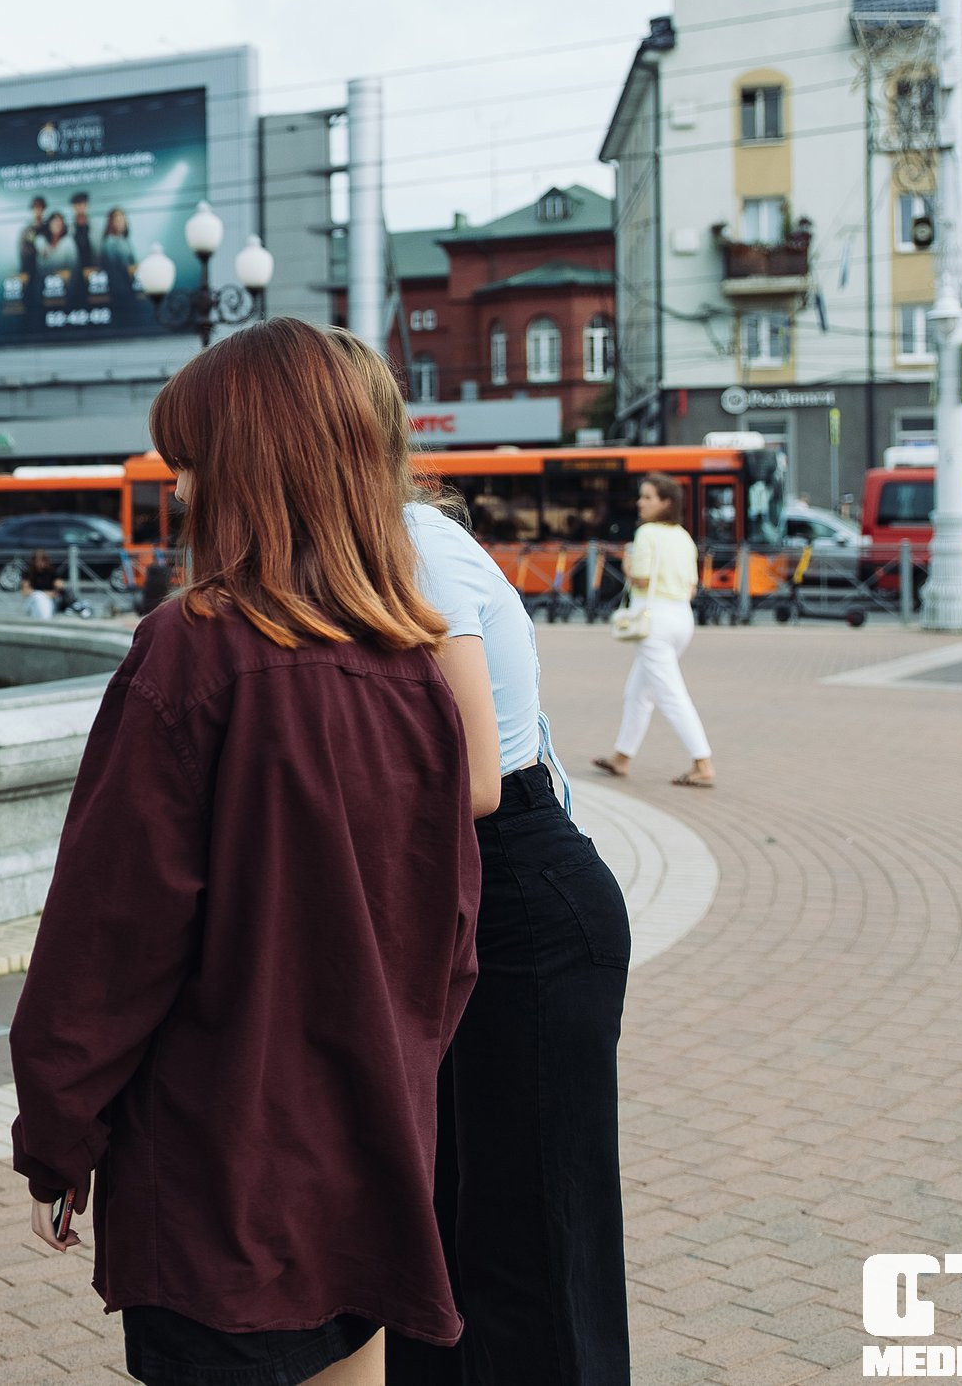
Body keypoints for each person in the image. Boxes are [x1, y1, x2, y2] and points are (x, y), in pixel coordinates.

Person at [11, 318, 481, 1386]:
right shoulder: (414, 669)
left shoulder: (193, 650)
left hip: (221, 1164)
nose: (178, 495)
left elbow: (111, 932)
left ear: (249, 473)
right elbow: (452, 931)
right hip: (371, 1163)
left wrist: (58, 1132)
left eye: (192, 466)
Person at [332, 329, 633, 1383]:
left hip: (517, 890)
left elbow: (469, 774)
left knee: (534, 1250)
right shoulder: (362, 545)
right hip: (467, 894)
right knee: (448, 1239)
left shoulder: (407, 538)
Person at [593, 474, 715, 787]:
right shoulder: (684, 536)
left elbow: (642, 578)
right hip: (681, 619)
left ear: (665, 502)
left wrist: (628, 566)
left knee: (671, 694)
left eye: (648, 497)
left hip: (654, 622)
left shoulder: (646, 533)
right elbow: (691, 588)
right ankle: (622, 757)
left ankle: (702, 763)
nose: (641, 502)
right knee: (638, 692)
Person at [99, 206, 137, 296]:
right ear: (111, 223)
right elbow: (113, 270)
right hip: (119, 290)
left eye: (122, 219)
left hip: (129, 287)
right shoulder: (109, 242)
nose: (120, 223)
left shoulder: (125, 240)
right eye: (117, 220)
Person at [22, 547, 64, 619]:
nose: (40, 563)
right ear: (33, 561)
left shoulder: (52, 572)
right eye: (38, 561)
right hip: (34, 598)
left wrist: (52, 593)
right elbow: (25, 591)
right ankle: (45, 618)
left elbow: (59, 587)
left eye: (42, 561)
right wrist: (42, 593)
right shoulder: (29, 573)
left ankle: (43, 618)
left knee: (41, 602)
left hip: (48, 599)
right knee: (38, 596)